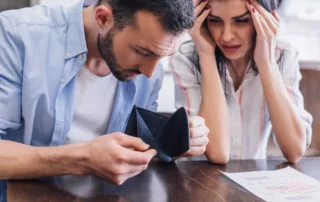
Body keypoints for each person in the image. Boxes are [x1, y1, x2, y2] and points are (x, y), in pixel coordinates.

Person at [0, 0, 210, 185]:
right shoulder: (15, 36)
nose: (150, 72)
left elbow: (138, 151)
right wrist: (81, 159)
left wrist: (171, 142)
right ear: (103, 18)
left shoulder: (147, 68)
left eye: (161, 56)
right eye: (142, 52)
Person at [170, 0, 312, 164]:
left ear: (266, 18)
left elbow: (295, 150)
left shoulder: (283, 56)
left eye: (242, 21)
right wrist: (206, 55)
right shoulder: (188, 58)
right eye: (215, 21)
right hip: (201, 181)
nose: (226, 36)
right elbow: (218, 154)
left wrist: (266, 61)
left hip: (254, 181)